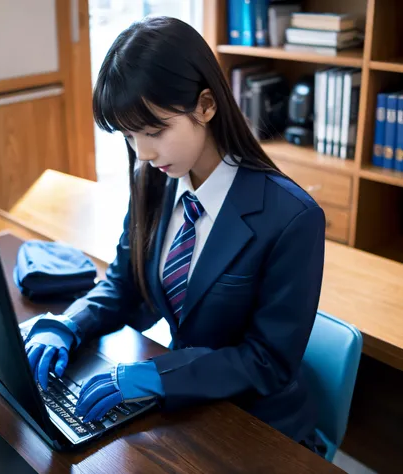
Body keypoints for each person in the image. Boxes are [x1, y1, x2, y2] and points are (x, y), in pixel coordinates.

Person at [24, 16, 326, 455]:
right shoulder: (155, 180)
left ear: (206, 105)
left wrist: (157, 377)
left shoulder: (292, 217)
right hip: (188, 412)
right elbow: (125, 286)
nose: (142, 153)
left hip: (259, 430)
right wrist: (70, 324)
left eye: (154, 131)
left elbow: (268, 361)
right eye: (129, 136)